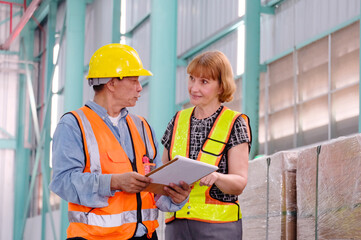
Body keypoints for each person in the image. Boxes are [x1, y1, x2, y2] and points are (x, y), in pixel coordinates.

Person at [49, 43, 191, 240]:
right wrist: (113, 182)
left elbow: (154, 187)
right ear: (111, 83)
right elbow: (62, 182)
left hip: (146, 236)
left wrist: (176, 196)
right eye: (134, 80)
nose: (140, 88)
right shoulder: (73, 125)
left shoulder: (142, 126)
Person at [161, 51, 252, 240]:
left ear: (221, 86)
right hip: (177, 226)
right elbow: (163, 173)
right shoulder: (177, 121)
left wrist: (216, 177)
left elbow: (239, 183)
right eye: (192, 79)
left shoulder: (234, 123)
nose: (194, 88)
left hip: (218, 228)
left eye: (204, 82)